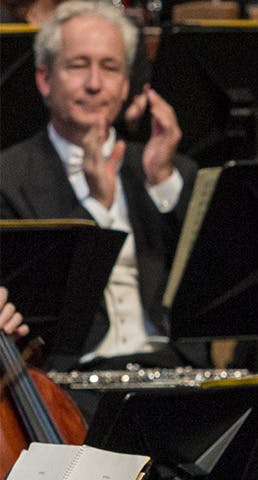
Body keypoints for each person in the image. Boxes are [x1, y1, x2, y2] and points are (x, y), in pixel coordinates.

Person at [0, 0, 198, 372]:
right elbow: (36, 310)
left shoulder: (165, 168)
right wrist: (96, 206)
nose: (94, 84)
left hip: (171, 369)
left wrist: (162, 184)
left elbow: (206, 286)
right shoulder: (8, 178)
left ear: (125, 85)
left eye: (109, 68)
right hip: (74, 379)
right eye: (78, 66)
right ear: (45, 79)